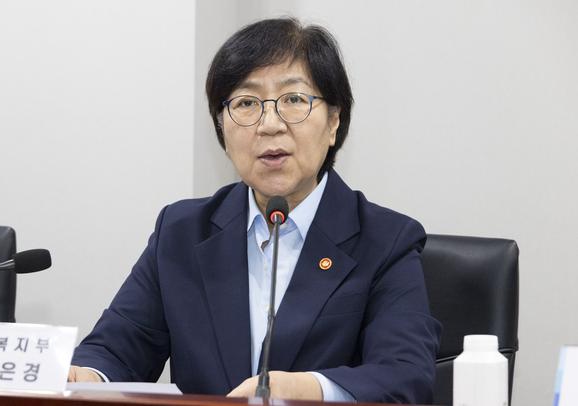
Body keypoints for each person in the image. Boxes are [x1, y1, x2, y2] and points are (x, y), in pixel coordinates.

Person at [69, 17, 441, 403]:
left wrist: (302, 390)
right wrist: (84, 376)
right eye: (246, 103)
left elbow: (404, 376)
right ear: (222, 128)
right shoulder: (180, 232)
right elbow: (115, 351)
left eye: (294, 100)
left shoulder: (386, 241)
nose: (269, 125)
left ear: (334, 121)